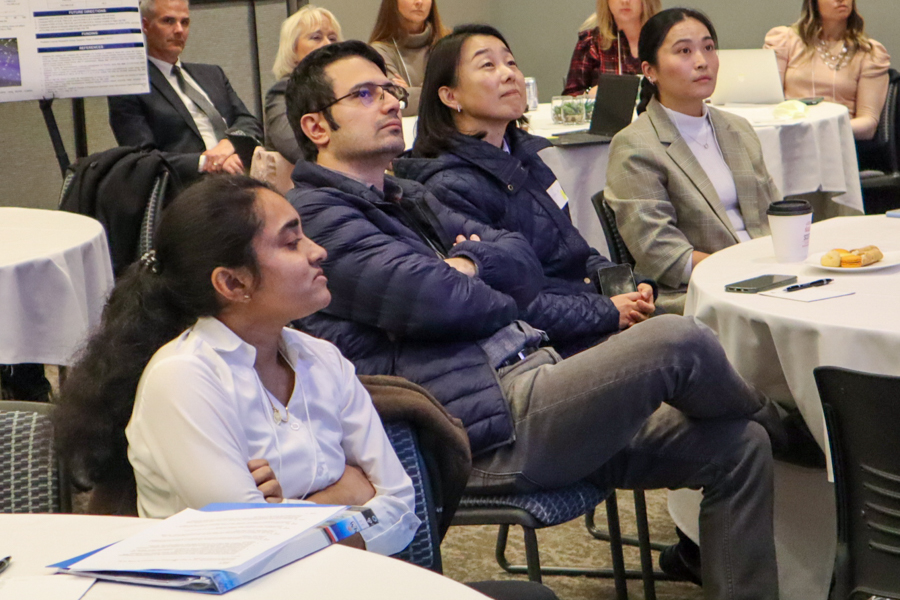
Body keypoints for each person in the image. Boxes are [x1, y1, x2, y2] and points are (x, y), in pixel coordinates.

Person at [284, 39, 807, 600]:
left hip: (537, 379)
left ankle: (767, 442)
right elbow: (442, 299)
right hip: (482, 430)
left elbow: (521, 261)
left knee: (740, 446)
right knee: (676, 338)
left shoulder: (405, 193)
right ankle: (794, 432)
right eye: (365, 94)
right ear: (317, 127)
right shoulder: (320, 218)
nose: (389, 103)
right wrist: (471, 272)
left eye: (389, 89)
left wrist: (466, 264)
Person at [54, 175, 419, 556]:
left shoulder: (322, 358)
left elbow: (401, 510)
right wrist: (349, 495)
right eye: (292, 243)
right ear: (232, 283)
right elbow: (251, 545)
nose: (317, 252)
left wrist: (287, 514)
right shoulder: (184, 377)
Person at [396, 24, 654, 358]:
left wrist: (630, 289)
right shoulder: (448, 186)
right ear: (450, 95)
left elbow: (573, 250)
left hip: (587, 313)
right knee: (683, 340)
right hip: (545, 347)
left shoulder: (524, 156)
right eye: (487, 65)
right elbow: (505, 303)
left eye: (511, 63)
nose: (508, 74)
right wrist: (606, 312)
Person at [604, 9, 781, 315]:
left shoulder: (738, 128)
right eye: (684, 51)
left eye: (708, 48)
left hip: (770, 273)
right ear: (650, 70)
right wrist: (742, 267)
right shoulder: (635, 144)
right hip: (699, 291)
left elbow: (773, 213)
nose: (702, 61)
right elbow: (660, 252)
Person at [108, 0, 263, 183]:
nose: (179, 30)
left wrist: (229, 145)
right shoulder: (129, 85)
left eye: (185, 22)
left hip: (236, 175)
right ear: (145, 25)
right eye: (168, 21)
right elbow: (144, 159)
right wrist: (207, 162)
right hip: (185, 187)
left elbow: (249, 122)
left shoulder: (212, 74)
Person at [764, 0, 890, 140]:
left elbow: (869, 123)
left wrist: (821, 130)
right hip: (789, 136)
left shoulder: (868, 52)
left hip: (837, 139)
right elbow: (769, 102)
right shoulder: (784, 40)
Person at [266, 5, 342, 164]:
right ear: (293, 50)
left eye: (333, 38)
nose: (327, 44)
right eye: (316, 37)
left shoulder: (346, 88)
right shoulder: (284, 91)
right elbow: (294, 146)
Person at [562, 0, 661, 96]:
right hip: (609, 112)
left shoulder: (663, 40)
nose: (625, 1)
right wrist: (590, 94)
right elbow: (569, 100)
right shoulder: (591, 43)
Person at [369, 0, 448, 116]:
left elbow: (460, 95)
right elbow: (395, 101)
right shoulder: (380, 50)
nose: (419, 2)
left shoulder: (448, 43)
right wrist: (437, 92)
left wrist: (409, 92)